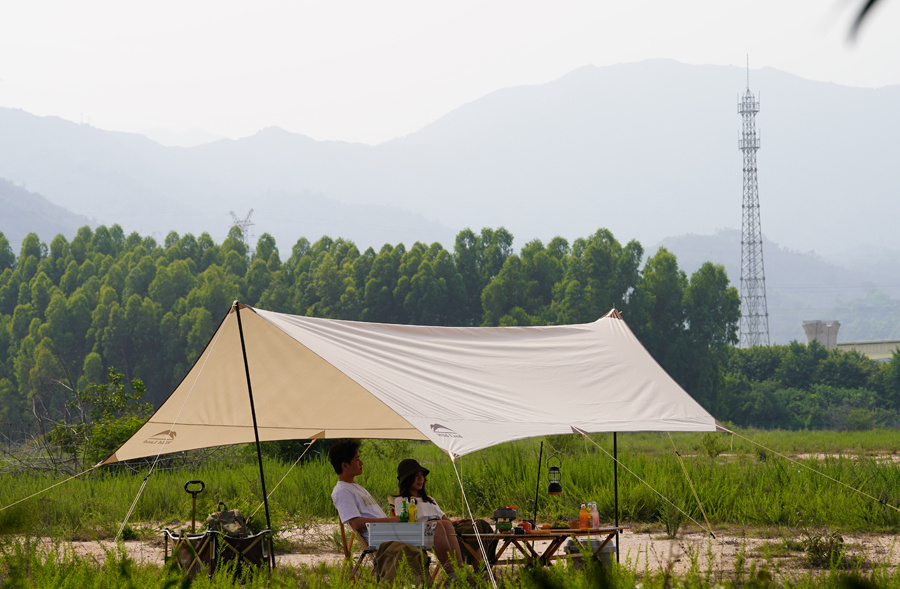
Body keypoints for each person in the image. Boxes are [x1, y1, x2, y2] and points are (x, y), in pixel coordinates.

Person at [394, 458, 469, 580]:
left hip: (438, 528)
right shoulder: (401, 500)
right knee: (438, 525)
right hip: (417, 531)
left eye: (422, 476)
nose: (420, 479)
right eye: (416, 476)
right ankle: (452, 573)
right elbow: (403, 521)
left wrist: (454, 522)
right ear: (407, 479)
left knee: (446, 524)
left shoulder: (429, 499)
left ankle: (460, 570)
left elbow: (443, 516)